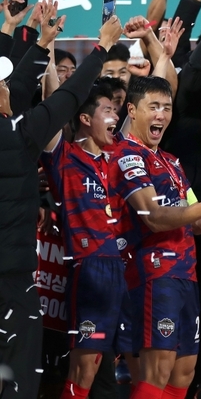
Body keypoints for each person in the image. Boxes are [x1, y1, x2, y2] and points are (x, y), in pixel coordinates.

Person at [109, 76, 201, 399]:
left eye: (166, 107)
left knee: (184, 372)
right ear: (132, 111)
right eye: (153, 107)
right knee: (158, 369)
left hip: (185, 275)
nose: (161, 115)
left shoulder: (171, 162)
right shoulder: (128, 156)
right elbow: (153, 217)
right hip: (153, 275)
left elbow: (198, 222)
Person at [0, 6, 122, 398]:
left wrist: (39, 43)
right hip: (12, 278)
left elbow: (20, 86)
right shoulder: (20, 135)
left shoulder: (17, 130)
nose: (11, 89)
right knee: (19, 375)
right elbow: (68, 98)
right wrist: (101, 49)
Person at [40, 82, 125, 399]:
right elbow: (51, 106)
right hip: (90, 269)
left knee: (116, 365)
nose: (116, 116)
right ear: (86, 119)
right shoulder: (65, 156)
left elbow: (146, 107)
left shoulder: (120, 155)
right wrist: (48, 54)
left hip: (127, 270)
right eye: (108, 110)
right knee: (84, 368)